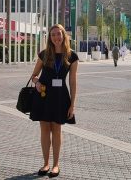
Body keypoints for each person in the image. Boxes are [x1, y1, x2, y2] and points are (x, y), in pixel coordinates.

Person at [29, 24, 78, 178]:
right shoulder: (44, 54)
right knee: (44, 130)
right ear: (49, 38)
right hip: (43, 95)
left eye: (58, 34)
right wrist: (37, 83)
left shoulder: (72, 56)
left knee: (57, 130)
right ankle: (45, 163)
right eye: (53, 35)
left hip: (60, 97)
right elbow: (34, 76)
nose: (56, 37)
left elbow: (73, 82)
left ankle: (56, 165)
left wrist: (72, 104)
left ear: (64, 35)